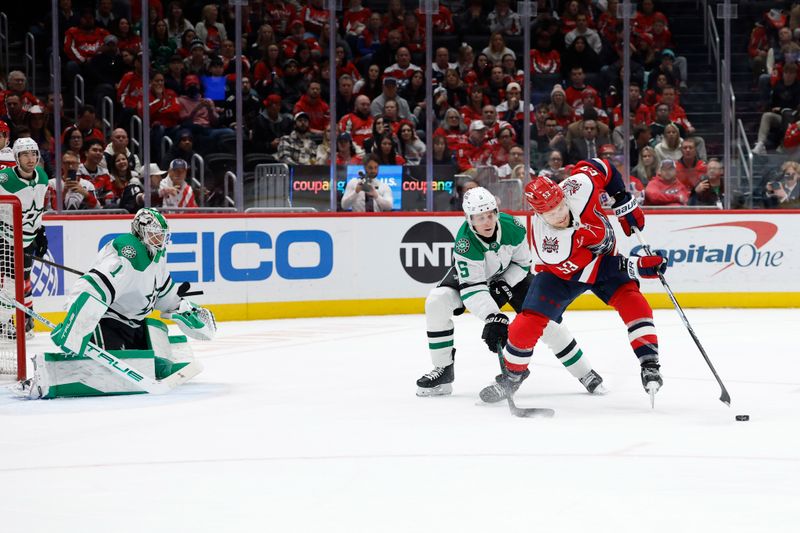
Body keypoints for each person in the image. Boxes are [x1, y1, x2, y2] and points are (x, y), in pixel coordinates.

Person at [492, 159, 666, 402]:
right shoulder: (549, 244)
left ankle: (649, 364)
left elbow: (602, 167)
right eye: (551, 214)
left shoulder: (578, 186)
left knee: (635, 304)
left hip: (605, 259)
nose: (560, 215)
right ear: (538, 213)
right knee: (526, 324)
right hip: (561, 275)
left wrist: (622, 199)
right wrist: (634, 266)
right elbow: (588, 270)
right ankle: (512, 376)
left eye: (561, 207)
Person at [417, 186, 605, 400]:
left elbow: (524, 264)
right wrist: (492, 317)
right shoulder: (464, 243)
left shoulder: (512, 226)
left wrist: (505, 283)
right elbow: (472, 286)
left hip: (513, 275)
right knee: (436, 301)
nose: (487, 222)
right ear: (469, 219)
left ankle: (585, 373)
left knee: (548, 321)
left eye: (490, 215)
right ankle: (443, 370)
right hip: (476, 280)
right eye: (479, 218)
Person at [15, 208, 215, 399]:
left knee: (154, 328)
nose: (160, 239)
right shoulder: (129, 251)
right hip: (107, 323)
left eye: (162, 234)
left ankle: (157, 364)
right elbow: (94, 287)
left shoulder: (157, 255)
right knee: (108, 368)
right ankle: (48, 377)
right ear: (140, 231)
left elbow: (162, 292)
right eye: (154, 233)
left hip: (134, 324)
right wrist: (75, 326)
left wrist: (181, 308)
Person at [0, 138, 49, 337]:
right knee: (11, 285)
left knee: (24, 281)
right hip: (6, 239)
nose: (31, 159)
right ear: (16, 157)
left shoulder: (43, 177)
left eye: (34, 154)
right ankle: (2, 323)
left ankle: (24, 320)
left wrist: (40, 232)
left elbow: (37, 211)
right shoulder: (4, 180)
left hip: (27, 239)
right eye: (25, 154)